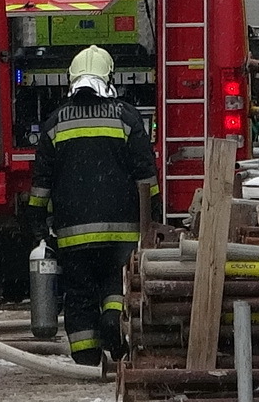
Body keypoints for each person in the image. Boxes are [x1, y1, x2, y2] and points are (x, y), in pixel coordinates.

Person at [25, 45, 159, 366]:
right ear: (108, 78)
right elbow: (146, 177)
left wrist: (37, 226)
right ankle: (114, 322)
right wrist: (153, 217)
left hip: (73, 236)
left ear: (71, 79)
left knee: (80, 293)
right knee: (117, 281)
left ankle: (86, 357)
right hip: (122, 233)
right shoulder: (127, 117)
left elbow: (40, 185)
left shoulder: (54, 123)